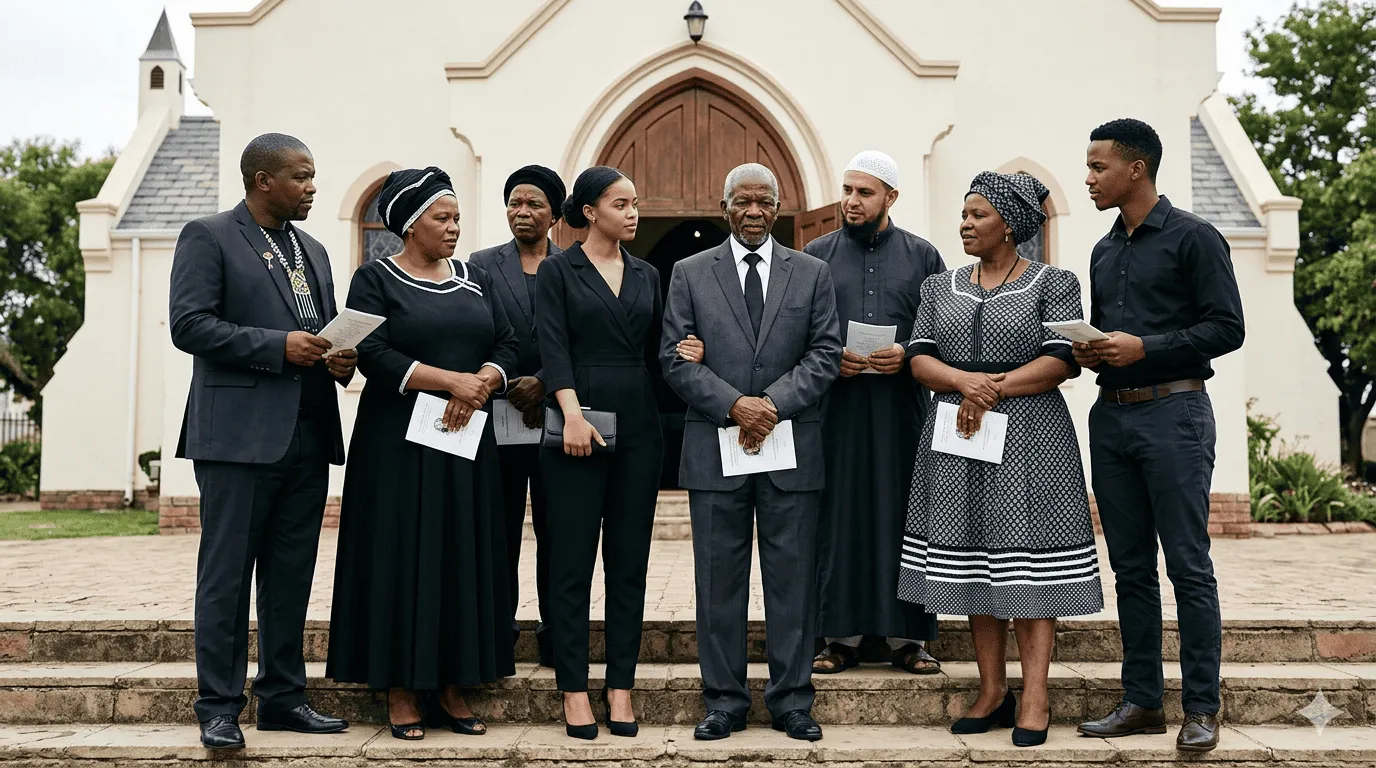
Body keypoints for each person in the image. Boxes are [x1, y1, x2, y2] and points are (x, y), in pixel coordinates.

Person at [898, 170, 1103, 748]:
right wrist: (964, 383)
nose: (965, 223)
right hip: (956, 439)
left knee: (1028, 568)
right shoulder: (939, 287)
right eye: (964, 214)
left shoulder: (1052, 282)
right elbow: (919, 358)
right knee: (969, 564)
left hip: (1032, 441)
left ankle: (1035, 696)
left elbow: (1061, 359)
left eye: (978, 214)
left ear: (1009, 225)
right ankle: (992, 691)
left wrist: (991, 389)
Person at [169, 133, 355, 750]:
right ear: (262, 180)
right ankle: (219, 707)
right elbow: (189, 325)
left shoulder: (315, 250)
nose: (312, 187)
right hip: (237, 438)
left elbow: (319, 330)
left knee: (290, 575)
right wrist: (278, 347)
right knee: (227, 577)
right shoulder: (210, 236)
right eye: (301, 177)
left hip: (308, 434)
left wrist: (339, 357)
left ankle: (282, 698)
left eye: (312, 175)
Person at [325, 166, 518, 740]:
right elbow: (372, 353)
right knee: (400, 554)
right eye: (442, 217)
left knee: (458, 552)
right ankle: (401, 688)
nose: (454, 227)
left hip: (465, 440)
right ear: (411, 225)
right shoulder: (375, 278)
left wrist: (481, 382)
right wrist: (447, 382)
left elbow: (509, 342)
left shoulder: (475, 278)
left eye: (457, 217)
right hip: (397, 446)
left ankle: (453, 683)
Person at [1074, 119, 1243, 754]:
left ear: (1136, 168)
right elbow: (1110, 336)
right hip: (1111, 416)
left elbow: (1227, 328)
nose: (1089, 179)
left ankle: (1201, 708)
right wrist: (1092, 350)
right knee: (1130, 568)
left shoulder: (1195, 237)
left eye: (1098, 167)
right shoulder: (1103, 250)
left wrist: (1146, 347)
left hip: (1175, 415)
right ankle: (1142, 700)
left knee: (1188, 565)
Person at [661, 163, 842, 743]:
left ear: (779, 207)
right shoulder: (689, 273)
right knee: (718, 583)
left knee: (793, 582)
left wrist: (771, 404)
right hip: (716, 452)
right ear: (725, 208)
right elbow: (673, 359)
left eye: (765, 201)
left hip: (791, 450)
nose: (754, 211)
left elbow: (825, 354)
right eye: (743, 201)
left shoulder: (811, 273)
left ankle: (792, 701)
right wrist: (736, 406)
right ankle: (724, 702)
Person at [801, 150, 947, 675]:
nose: (852, 201)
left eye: (864, 192)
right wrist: (828, 357)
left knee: (904, 517)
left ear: (891, 197)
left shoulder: (923, 256)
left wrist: (907, 353)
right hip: (835, 412)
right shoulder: (815, 255)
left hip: (900, 413)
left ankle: (909, 639)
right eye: (847, 190)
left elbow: (942, 331)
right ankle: (838, 639)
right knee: (838, 519)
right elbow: (797, 331)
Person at [537, 166, 664, 740]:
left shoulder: (647, 273)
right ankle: (572, 689)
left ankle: (620, 688)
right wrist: (571, 414)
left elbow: (658, 351)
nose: (633, 213)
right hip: (576, 423)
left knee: (629, 564)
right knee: (571, 563)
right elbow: (553, 347)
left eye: (635, 203)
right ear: (589, 212)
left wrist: (688, 348)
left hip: (638, 426)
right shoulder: (557, 270)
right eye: (621, 203)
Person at [469, 164, 567, 666]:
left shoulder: (575, 266)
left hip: (559, 414)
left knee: (558, 532)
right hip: (498, 415)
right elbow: (476, 333)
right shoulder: (481, 265)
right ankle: (497, 636)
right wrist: (508, 382)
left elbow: (582, 339)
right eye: (514, 203)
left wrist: (545, 381)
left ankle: (557, 636)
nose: (522, 212)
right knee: (498, 531)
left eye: (534, 204)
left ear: (555, 214)